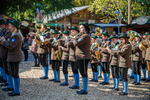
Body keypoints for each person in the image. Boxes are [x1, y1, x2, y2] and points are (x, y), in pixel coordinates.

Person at [0, 19, 23, 96]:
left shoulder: (16, 36)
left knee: (15, 74)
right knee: (13, 73)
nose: (9, 27)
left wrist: (3, 41)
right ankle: (14, 89)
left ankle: (17, 91)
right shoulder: (13, 35)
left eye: (10, 26)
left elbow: (10, 46)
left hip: (15, 57)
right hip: (12, 57)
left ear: (14, 27)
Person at [73, 22, 91, 95]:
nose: (80, 29)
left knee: (83, 73)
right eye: (80, 28)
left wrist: (74, 39)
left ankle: (85, 89)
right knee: (83, 72)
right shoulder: (82, 36)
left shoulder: (85, 36)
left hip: (83, 57)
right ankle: (84, 88)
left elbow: (76, 43)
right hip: (81, 56)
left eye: (81, 28)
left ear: (85, 28)